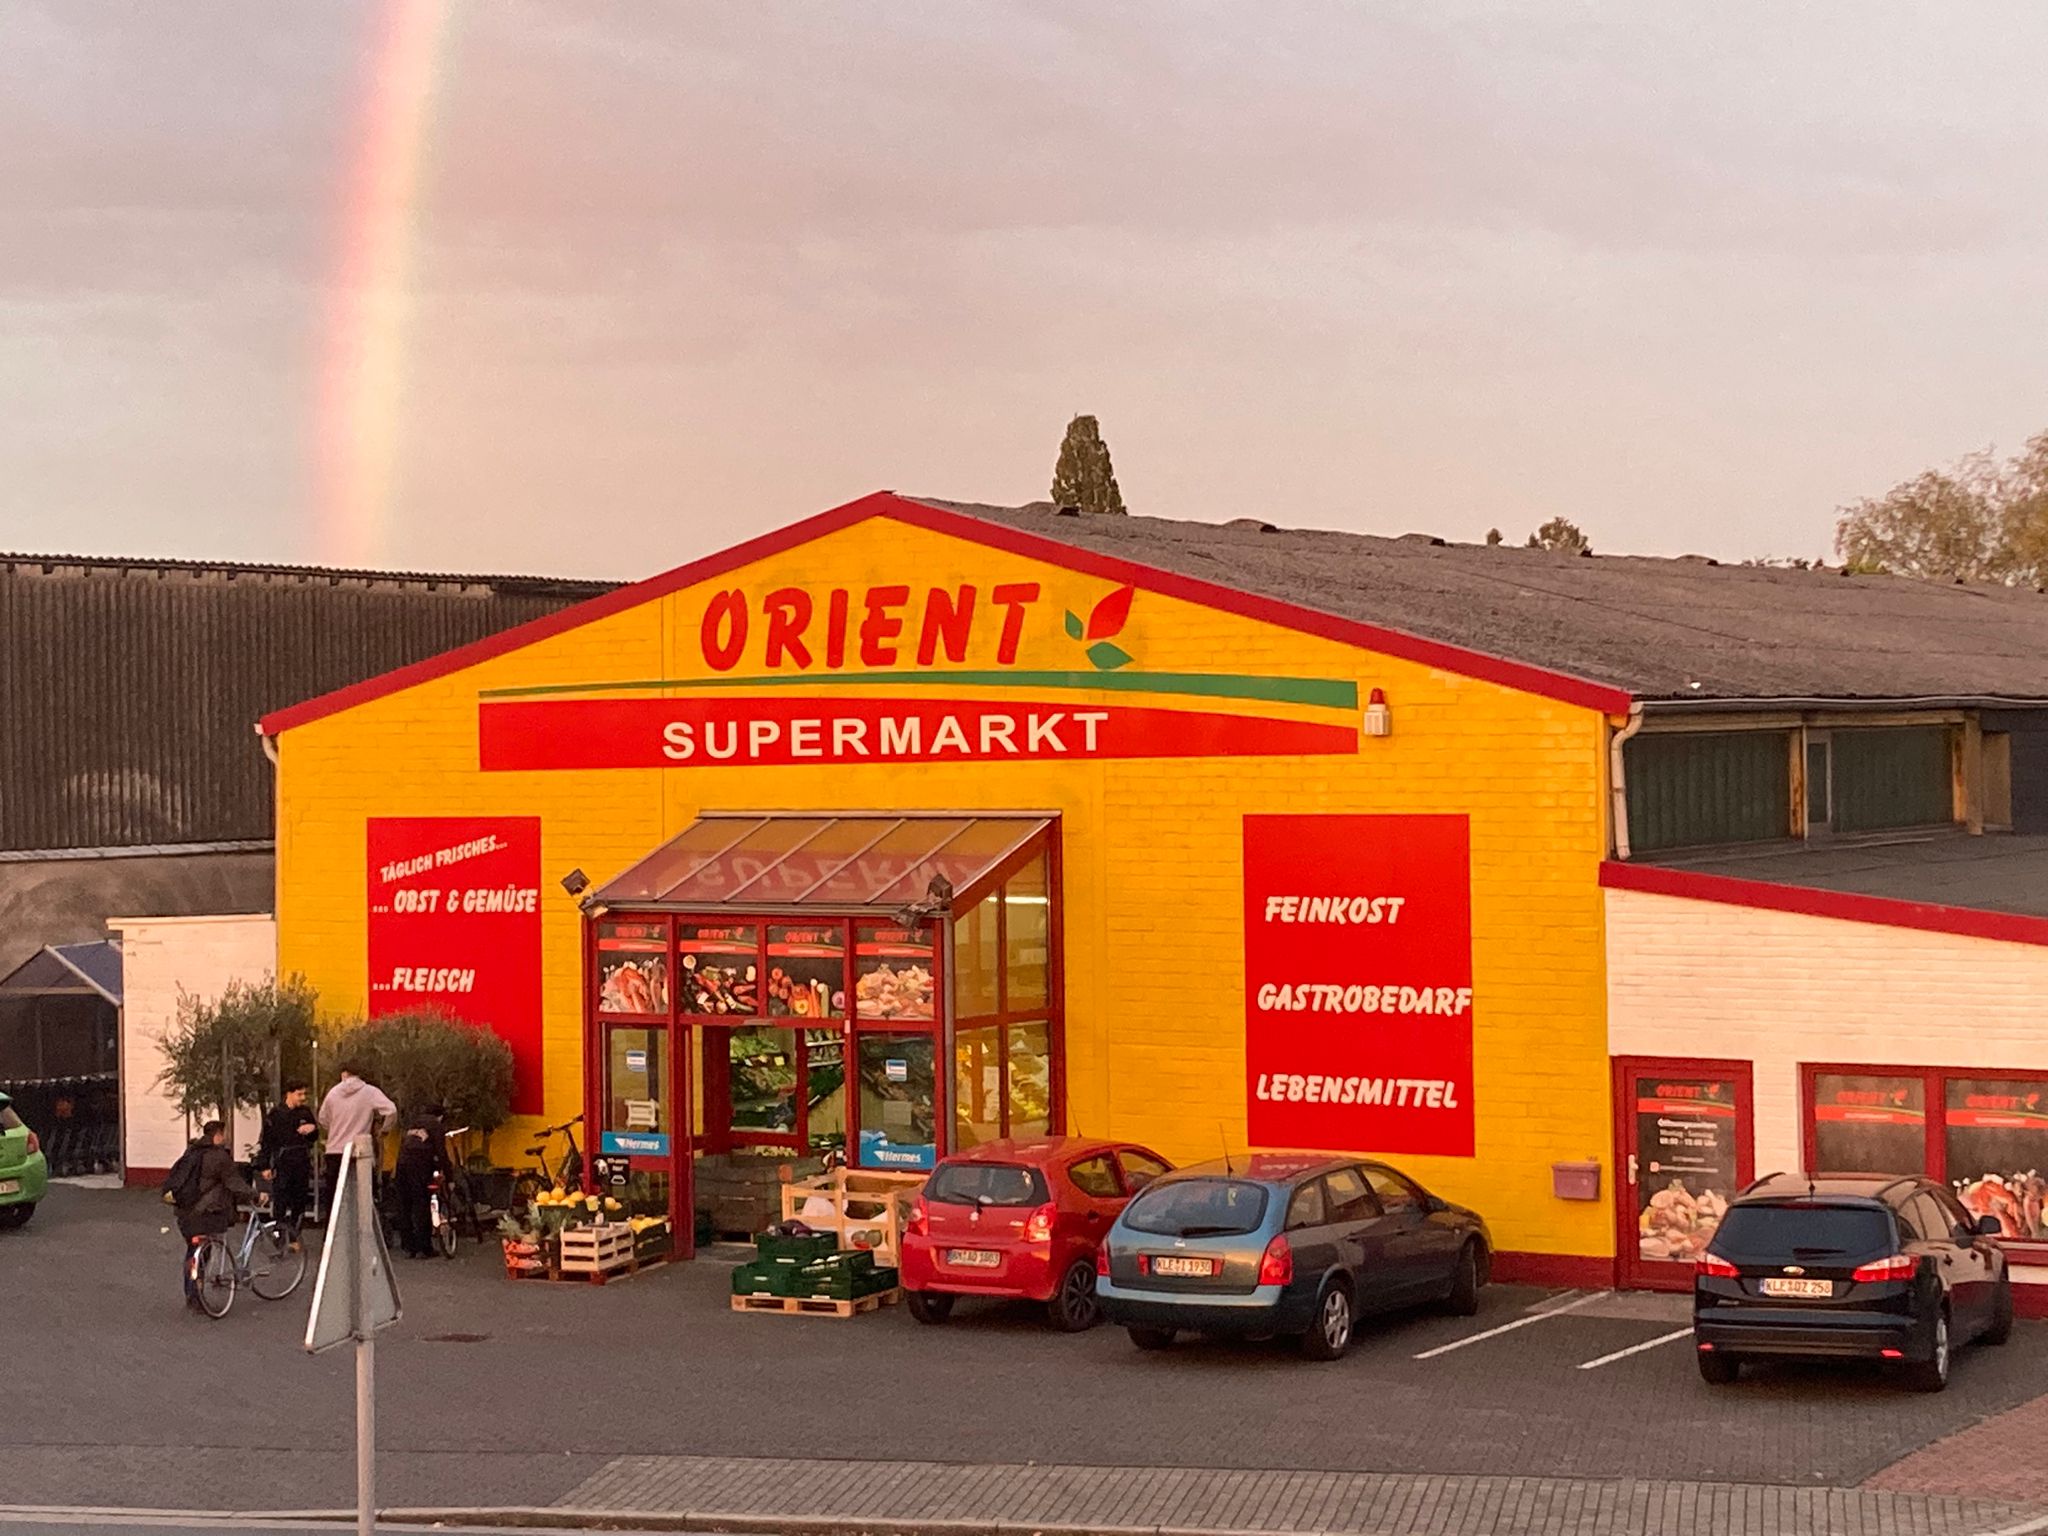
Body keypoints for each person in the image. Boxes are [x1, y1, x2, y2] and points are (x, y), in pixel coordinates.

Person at [170, 1121, 252, 1311]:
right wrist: (254, 1194)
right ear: (217, 1135)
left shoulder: (191, 1152)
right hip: (206, 1212)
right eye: (223, 1134)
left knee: (193, 1252)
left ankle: (191, 1293)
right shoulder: (219, 1156)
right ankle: (197, 1295)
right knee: (204, 1253)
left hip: (185, 1212)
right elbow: (234, 1182)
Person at [317, 1061, 397, 1217]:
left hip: (335, 1151)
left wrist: (335, 1129)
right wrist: (384, 1130)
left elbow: (323, 1118)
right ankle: (364, 1229)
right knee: (363, 1200)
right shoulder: (369, 1092)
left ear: (344, 1074)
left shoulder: (333, 1093)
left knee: (334, 1200)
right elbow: (391, 1110)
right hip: (360, 1153)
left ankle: (332, 1230)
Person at [258, 1082, 319, 1246]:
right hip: (283, 1162)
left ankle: (294, 1236)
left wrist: (312, 1129)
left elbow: (314, 1137)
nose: (303, 1098)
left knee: (300, 1200)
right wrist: (265, 1165)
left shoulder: (305, 1113)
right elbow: (266, 1142)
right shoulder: (275, 1114)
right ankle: (279, 1235)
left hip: (301, 1162)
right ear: (289, 1094)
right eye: (299, 1094)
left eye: (304, 1094)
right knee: (281, 1200)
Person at [394, 1100, 450, 1258]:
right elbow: (441, 1153)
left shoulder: (412, 1124)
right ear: (440, 1116)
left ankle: (408, 1246)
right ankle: (424, 1247)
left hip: (402, 1165)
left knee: (405, 1205)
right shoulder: (436, 1125)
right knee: (422, 1204)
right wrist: (449, 1175)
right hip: (420, 1167)